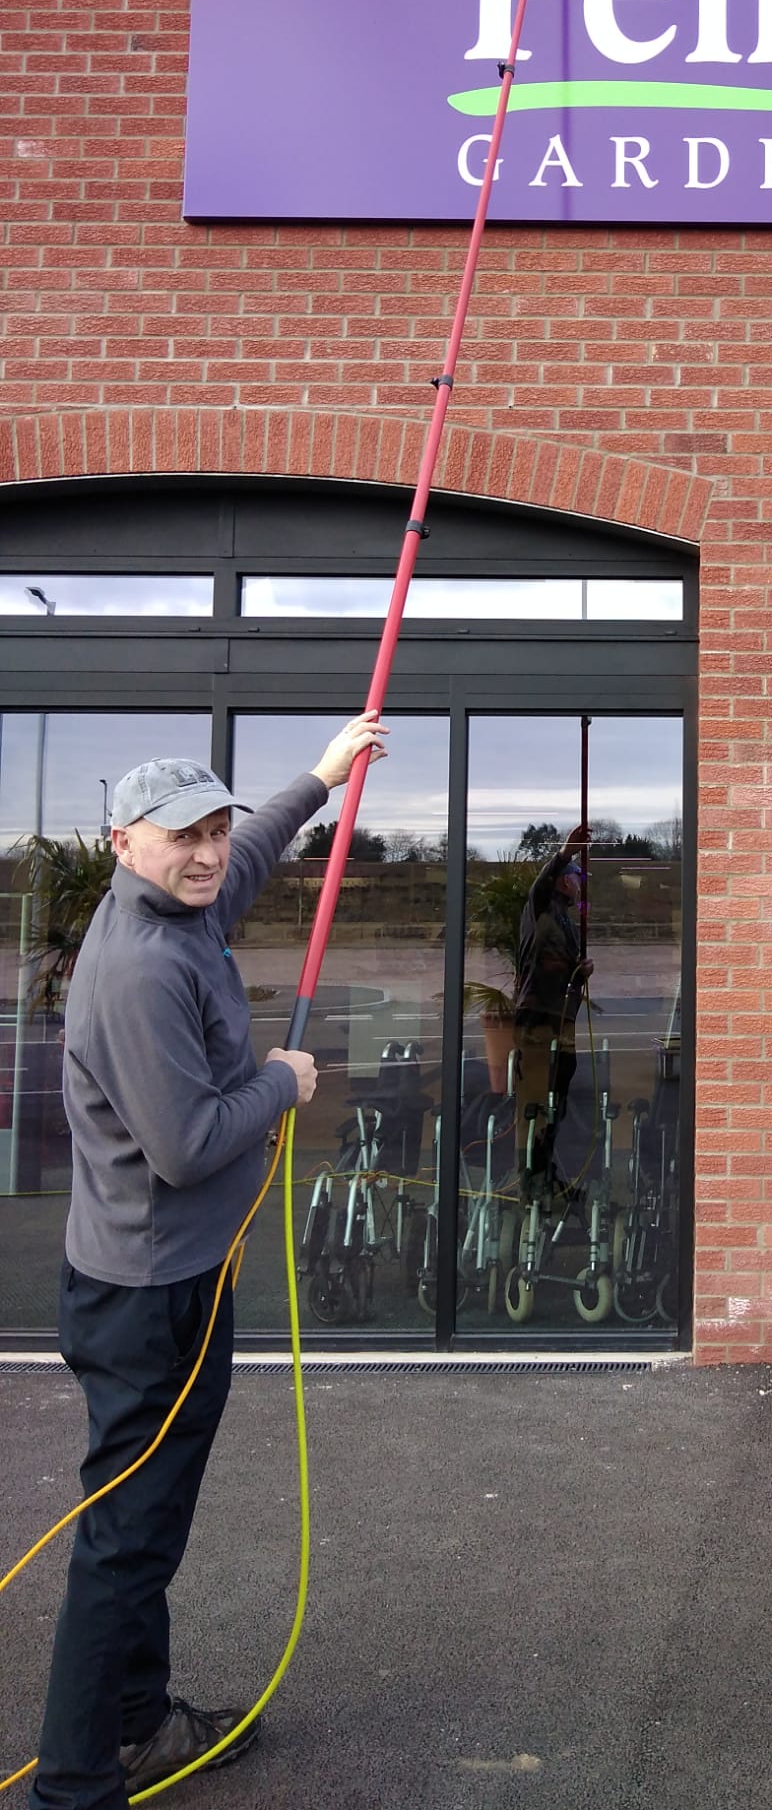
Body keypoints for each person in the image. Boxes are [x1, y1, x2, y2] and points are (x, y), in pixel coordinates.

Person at [27, 710, 388, 1810]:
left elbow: (257, 853)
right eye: (182, 834)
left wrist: (322, 775)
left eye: (214, 829)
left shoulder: (181, 910)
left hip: (174, 1279)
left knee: (145, 1523)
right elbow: (185, 1147)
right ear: (123, 839)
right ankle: (73, 1785)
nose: (208, 852)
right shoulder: (142, 965)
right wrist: (282, 1081)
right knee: (127, 1541)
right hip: (149, 1299)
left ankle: (137, 1724)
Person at [510, 823, 592, 1181]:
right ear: (562, 882)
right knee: (536, 1101)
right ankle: (529, 1173)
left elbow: (564, 972)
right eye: (576, 878)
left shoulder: (566, 924)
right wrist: (565, 853)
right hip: (537, 1018)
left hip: (560, 1019)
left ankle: (545, 1170)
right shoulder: (541, 910)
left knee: (557, 1097)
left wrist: (580, 972)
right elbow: (539, 886)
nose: (580, 885)